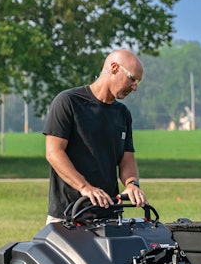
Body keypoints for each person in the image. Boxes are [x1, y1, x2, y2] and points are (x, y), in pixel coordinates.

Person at [43, 48, 148, 222]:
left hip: (111, 216)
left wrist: (131, 184)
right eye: (132, 79)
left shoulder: (122, 113)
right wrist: (84, 187)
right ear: (114, 68)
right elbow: (53, 153)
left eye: (138, 82)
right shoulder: (68, 102)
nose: (135, 87)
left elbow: (126, 158)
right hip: (68, 216)